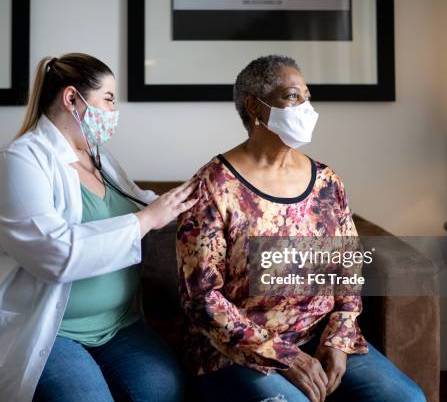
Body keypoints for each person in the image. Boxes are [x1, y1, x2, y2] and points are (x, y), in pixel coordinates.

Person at [0, 53, 196, 402]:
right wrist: (147, 220)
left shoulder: (98, 158)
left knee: (165, 391)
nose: (114, 111)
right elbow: (55, 254)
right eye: (108, 99)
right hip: (47, 331)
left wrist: (205, 196)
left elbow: (140, 202)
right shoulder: (18, 163)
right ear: (72, 98)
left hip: (118, 327)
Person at [176, 55, 426, 402]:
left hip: (319, 335)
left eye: (308, 97)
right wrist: (284, 356)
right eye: (293, 97)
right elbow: (202, 300)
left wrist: (339, 338)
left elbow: (348, 268)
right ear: (255, 107)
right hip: (236, 354)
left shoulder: (327, 182)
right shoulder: (213, 187)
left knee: (406, 399)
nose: (307, 108)